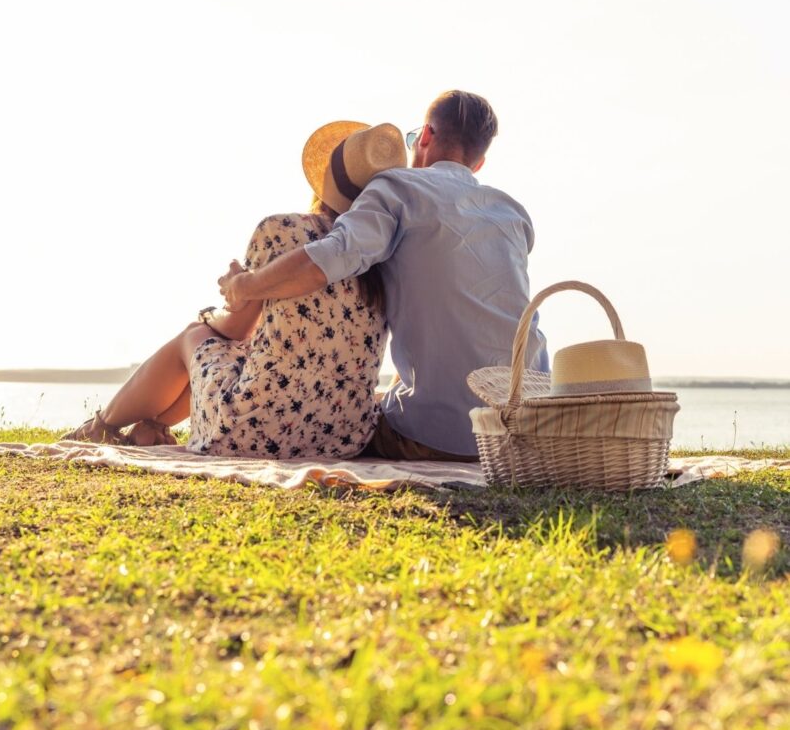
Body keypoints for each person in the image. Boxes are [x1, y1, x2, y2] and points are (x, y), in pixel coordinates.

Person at [219, 90, 549, 461]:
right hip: (522, 432)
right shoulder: (513, 213)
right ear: (479, 163)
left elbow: (326, 261)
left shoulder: (399, 188)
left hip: (440, 436)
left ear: (425, 135)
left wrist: (244, 285)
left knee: (362, 418)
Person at [63, 121, 406, 458]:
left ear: (325, 183)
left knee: (194, 336)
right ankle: (152, 426)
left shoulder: (283, 230)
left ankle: (101, 426)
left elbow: (235, 329)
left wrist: (226, 299)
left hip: (256, 432)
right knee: (236, 354)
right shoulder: (389, 257)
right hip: (344, 437)